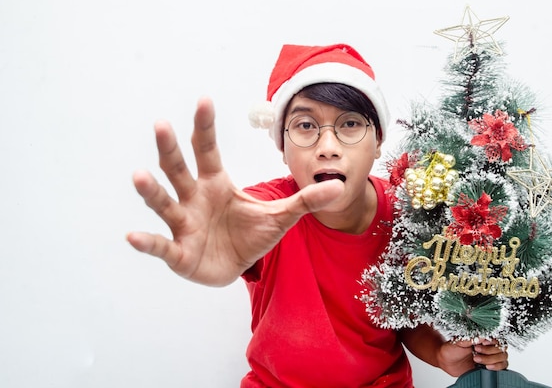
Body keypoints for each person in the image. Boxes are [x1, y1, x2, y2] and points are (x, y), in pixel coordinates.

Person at [127, 43, 508, 387]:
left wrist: (441, 354)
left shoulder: (409, 213)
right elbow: (234, 228)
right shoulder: (264, 211)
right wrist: (217, 246)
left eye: (351, 124)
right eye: (306, 126)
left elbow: (403, 314)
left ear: (378, 142)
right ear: (282, 147)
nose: (328, 147)